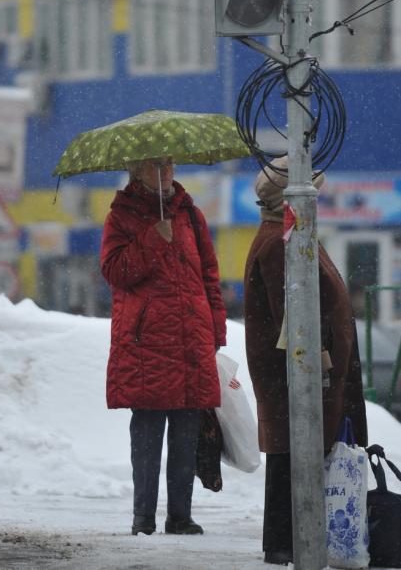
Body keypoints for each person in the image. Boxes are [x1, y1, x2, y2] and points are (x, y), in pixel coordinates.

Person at [244, 156, 368, 567]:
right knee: (292, 451)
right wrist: (319, 358)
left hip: (306, 366)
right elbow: (291, 314)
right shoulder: (280, 243)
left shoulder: (293, 234)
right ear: (288, 199)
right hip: (298, 370)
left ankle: (290, 539)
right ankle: (285, 542)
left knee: (295, 451)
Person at [100, 157, 226, 536]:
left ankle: (180, 515)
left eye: (169, 163)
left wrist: (215, 328)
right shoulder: (121, 215)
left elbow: (209, 274)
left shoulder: (190, 213)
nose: (166, 171)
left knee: (187, 433)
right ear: (136, 171)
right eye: (156, 165)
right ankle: (143, 518)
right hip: (147, 345)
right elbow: (115, 272)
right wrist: (154, 238)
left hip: (190, 339)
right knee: (148, 434)